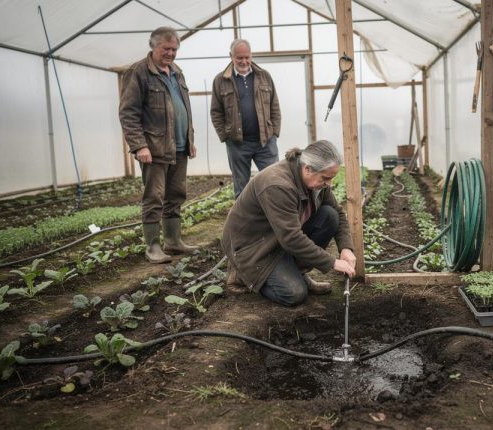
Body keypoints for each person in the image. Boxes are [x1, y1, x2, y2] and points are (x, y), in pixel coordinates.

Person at [222, 140, 357, 307]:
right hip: (254, 247)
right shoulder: (277, 185)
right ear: (307, 169)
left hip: (277, 238)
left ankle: (296, 271)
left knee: (330, 216)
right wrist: (333, 262)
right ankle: (243, 275)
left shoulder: (315, 180)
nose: (329, 184)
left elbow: (338, 212)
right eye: (326, 178)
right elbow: (291, 238)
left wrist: (346, 248)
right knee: (294, 294)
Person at [119, 26, 198, 264]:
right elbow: (128, 113)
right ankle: (153, 246)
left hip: (180, 146)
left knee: (176, 195)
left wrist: (189, 139)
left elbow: (184, 108)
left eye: (174, 49)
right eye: (166, 48)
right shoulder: (138, 72)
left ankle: (173, 241)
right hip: (154, 148)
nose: (171, 53)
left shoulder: (177, 72)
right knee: (154, 197)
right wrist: (139, 145)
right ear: (153, 46)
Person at [210, 39, 281, 198]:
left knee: (273, 181)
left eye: (247, 57)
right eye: (239, 58)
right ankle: (245, 221)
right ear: (231, 56)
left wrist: (274, 132)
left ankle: (271, 217)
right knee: (241, 187)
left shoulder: (264, 76)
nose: (244, 61)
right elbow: (216, 111)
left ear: (251, 55)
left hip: (265, 142)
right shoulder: (221, 80)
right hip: (237, 144)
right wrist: (225, 136)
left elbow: (274, 105)